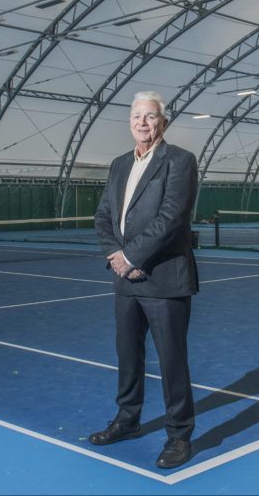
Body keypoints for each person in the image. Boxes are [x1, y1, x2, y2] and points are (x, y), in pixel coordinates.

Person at [91, 91, 199, 469]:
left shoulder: (180, 161)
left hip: (164, 279)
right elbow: (103, 216)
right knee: (127, 355)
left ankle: (179, 435)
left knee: (172, 360)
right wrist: (117, 259)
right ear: (129, 122)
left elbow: (171, 218)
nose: (142, 122)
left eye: (150, 116)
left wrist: (134, 256)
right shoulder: (119, 164)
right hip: (125, 280)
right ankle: (128, 420)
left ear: (162, 122)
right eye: (137, 116)